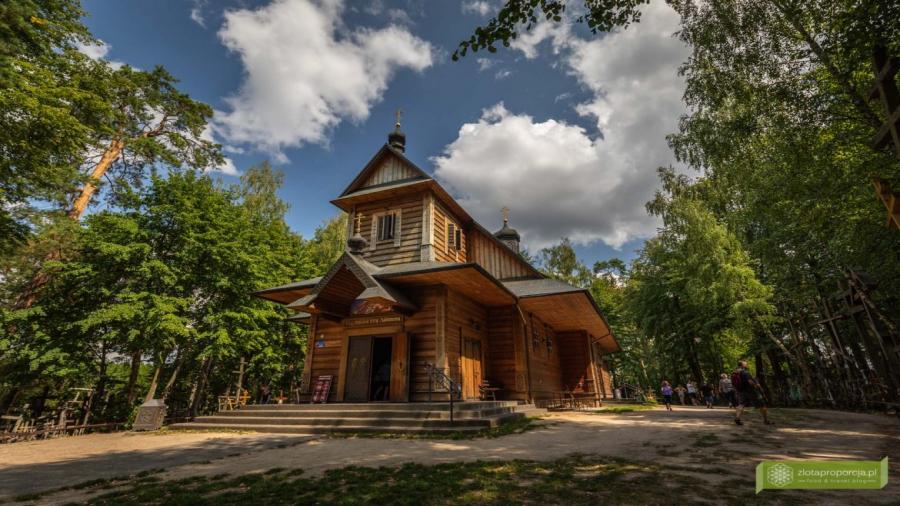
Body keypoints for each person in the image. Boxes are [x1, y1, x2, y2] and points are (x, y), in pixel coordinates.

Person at [734, 361, 773, 426]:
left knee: (741, 404)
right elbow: (750, 382)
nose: (747, 364)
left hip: (741, 391)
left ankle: (737, 418)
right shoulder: (745, 372)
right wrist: (756, 386)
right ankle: (766, 420)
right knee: (762, 405)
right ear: (742, 365)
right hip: (751, 391)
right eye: (745, 364)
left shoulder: (735, 372)